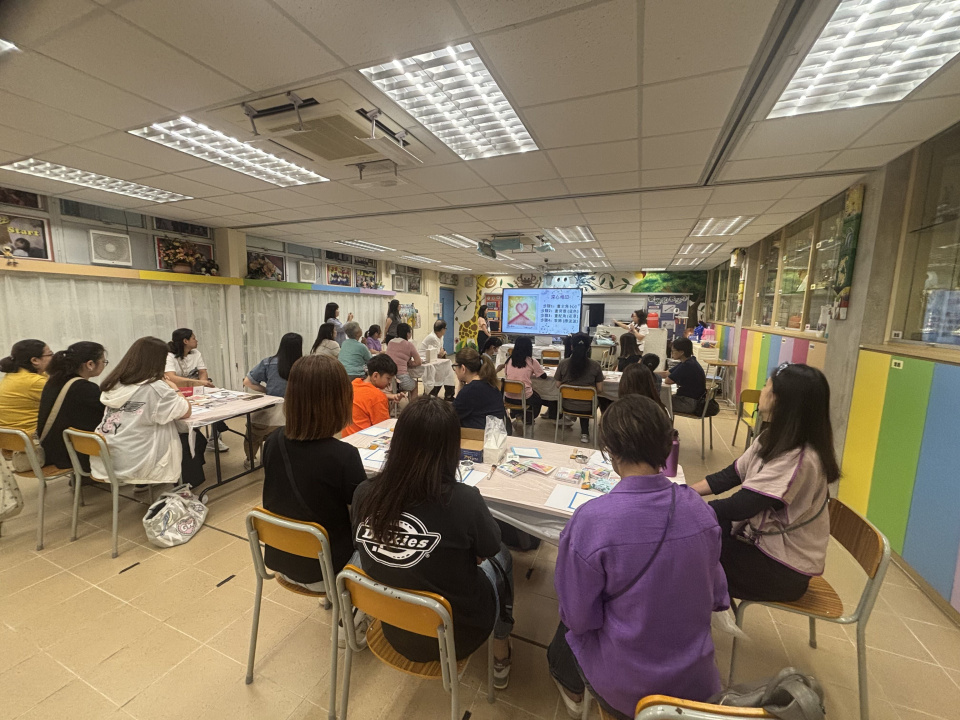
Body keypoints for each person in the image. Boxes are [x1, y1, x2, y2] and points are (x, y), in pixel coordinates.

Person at [548, 396, 728, 719]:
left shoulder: (591, 521)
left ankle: (570, 686)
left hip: (628, 690)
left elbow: (577, 618)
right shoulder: (701, 511)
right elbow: (716, 597)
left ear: (611, 452)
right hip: (696, 686)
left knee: (567, 636)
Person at [352, 396, 515, 688]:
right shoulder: (464, 500)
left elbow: (362, 546)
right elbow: (490, 548)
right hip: (456, 634)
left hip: (393, 624)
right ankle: (501, 649)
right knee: (503, 557)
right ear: (452, 448)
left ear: (397, 442)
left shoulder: (365, 492)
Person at [692, 363, 839, 603]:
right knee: (696, 535)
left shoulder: (800, 458)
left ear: (779, 399)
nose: (761, 391)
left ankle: (687, 618)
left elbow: (741, 506)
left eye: (765, 386)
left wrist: (685, 508)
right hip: (760, 543)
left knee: (686, 551)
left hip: (781, 568)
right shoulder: (772, 438)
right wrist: (685, 492)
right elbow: (732, 474)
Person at [261, 354, 366, 592]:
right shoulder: (343, 455)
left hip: (281, 559)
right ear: (340, 401)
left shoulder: (272, 442)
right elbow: (362, 516)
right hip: (327, 571)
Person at [94, 337, 206, 488]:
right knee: (189, 437)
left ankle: (145, 485)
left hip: (109, 455)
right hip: (137, 459)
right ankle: (186, 489)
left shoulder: (115, 382)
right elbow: (185, 411)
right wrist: (173, 386)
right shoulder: (154, 388)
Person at [36, 342, 106, 472]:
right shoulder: (84, 388)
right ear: (90, 364)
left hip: (52, 449)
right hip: (71, 455)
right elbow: (106, 414)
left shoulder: (53, 381)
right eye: (103, 361)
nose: (104, 365)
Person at [242, 332, 302, 466]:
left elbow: (247, 382)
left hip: (269, 412)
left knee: (252, 432)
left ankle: (251, 460)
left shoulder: (268, 362)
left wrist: (266, 391)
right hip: (293, 414)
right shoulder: (303, 365)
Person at [165, 328, 229, 453]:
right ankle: (191, 438)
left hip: (194, 389)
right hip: (176, 391)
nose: (196, 340)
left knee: (217, 404)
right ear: (185, 341)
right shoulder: (169, 356)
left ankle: (214, 439)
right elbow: (172, 378)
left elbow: (202, 372)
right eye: (193, 338)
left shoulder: (196, 353)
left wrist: (201, 387)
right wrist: (199, 383)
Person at [555, 333, 605, 444]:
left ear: (571, 347)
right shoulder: (595, 365)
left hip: (566, 406)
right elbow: (600, 389)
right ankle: (584, 433)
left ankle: (569, 418)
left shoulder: (563, 364)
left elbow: (558, 385)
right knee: (590, 400)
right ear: (588, 348)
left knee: (579, 401)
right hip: (588, 408)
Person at [343, 354, 402, 437]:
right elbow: (383, 427)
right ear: (375, 376)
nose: (389, 382)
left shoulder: (354, 384)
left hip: (347, 437)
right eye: (388, 378)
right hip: (365, 440)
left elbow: (366, 397)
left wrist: (389, 396)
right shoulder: (378, 397)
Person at [0, 339, 51, 434]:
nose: (54, 358)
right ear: (35, 360)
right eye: (50, 354)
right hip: (32, 437)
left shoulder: (13, 375)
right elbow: (66, 400)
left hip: (11, 438)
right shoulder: (34, 382)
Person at [453, 348, 508, 432]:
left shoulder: (470, 390)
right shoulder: (489, 383)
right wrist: (461, 384)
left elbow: (452, 415)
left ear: (463, 368)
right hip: (496, 433)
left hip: (480, 436)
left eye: (455, 367)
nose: (455, 371)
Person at [503, 336, 551, 434]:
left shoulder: (508, 361)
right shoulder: (531, 361)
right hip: (525, 396)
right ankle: (527, 420)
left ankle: (518, 416)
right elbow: (543, 376)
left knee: (519, 399)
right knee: (537, 400)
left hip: (508, 397)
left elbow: (508, 374)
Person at [656, 337, 705, 415]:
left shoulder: (688, 365)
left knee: (656, 402)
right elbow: (666, 373)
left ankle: (663, 422)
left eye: (673, 351)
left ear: (681, 352)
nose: (671, 353)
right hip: (689, 400)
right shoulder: (689, 361)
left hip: (688, 403)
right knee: (659, 399)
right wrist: (649, 372)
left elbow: (668, 380)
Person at [418, 320, 456, 400]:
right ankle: (432, 393)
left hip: (435, 359)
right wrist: (442, 352)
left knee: (448, 369)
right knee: (442, 371)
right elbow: (439, 353)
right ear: (442, 329)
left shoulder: (440, 336)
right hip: (426, 360)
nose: (445, 330)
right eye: (445, 328)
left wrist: (442, 352)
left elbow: (441, 351)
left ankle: (449, 394)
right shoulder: (432, 338)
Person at [385, 323, 422, 400]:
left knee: (397, 387)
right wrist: (410, 363)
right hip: (401, 378)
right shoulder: (409, 345)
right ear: (408, 334)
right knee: (414, 385)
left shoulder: (391, 342)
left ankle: (395, 403)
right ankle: (412, 406)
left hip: (388, 378)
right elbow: (418, 362)